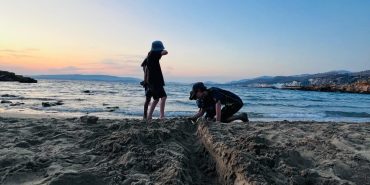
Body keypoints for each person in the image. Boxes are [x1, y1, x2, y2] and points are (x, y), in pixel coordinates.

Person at [141, 40, 168, 123]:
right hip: (155, 81)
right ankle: (161, 116)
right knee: (163, 97)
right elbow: (165, 52)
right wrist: (162, 51)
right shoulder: (153, 54)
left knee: (156, 99)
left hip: (151, 82)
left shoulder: (149, 57)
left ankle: (148, 116)